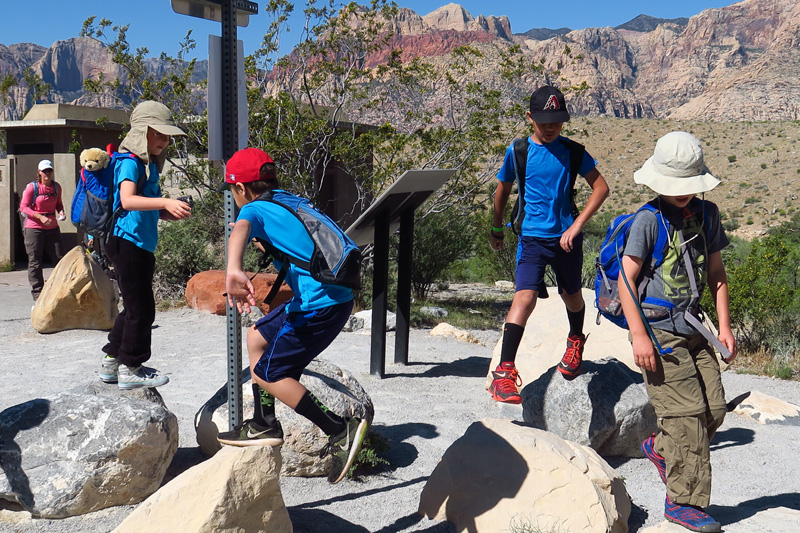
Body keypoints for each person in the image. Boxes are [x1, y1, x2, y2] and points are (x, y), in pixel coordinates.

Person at [217, 147, 368, 484]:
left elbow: (239, 230)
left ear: (240, 188)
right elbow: (294, 244)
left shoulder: (254, 209)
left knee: (268, 373)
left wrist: (233, 269)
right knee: (256, 337)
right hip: (326, 298)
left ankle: (339, 429)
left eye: (231, 191)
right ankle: (264, 423)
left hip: (320, 306)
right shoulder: (287, 200)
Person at [619, 131, 736, 533]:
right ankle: (682, 502)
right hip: (658, 333)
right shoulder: (647, 221)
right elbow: (626, 281)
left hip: (695, 327)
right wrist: (638, 337)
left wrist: (724, 327)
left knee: (713, 410)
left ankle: (659, 447)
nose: (683, 194)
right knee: (686, 418)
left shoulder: (708, 214)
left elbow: (717, 273)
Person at [488, 85, 609, 403]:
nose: (551, 126)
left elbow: (600, 187)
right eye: (544, 121)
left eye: (557, 120)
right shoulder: (518, 151)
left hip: (567, 238)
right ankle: (504, 373)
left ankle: (575, 340)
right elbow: (502, 190)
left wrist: (578, 225)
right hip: (531, 238)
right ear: (530, 118)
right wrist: (496, 227)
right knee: (524, 297)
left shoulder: (573, 151)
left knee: (571, 295)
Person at [97, 101, 192, 390]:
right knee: (143, 310)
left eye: (167, 136)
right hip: (129, 243)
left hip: (136, 243)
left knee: (133, 307)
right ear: (142, 132)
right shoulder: (130, 162)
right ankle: (131, 367)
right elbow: (127, 200)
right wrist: (164, 201)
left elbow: (138, 206)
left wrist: (164, 212)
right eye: (159, 134)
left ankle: (112, 362)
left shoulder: (142, 163)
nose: (165, 141)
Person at [19, 159, 66, 302]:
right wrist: (39, 217)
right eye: (44, 171)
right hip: (34, 228)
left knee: (59, 259)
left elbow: (58, 204)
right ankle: (38, 293)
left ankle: (59, 289)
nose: (47, 173)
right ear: (39, 172)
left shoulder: (56, 187)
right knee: (35, 261)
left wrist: (62, 213)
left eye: (49, 170)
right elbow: (23, 207)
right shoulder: (32, 188)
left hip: (52, 227)